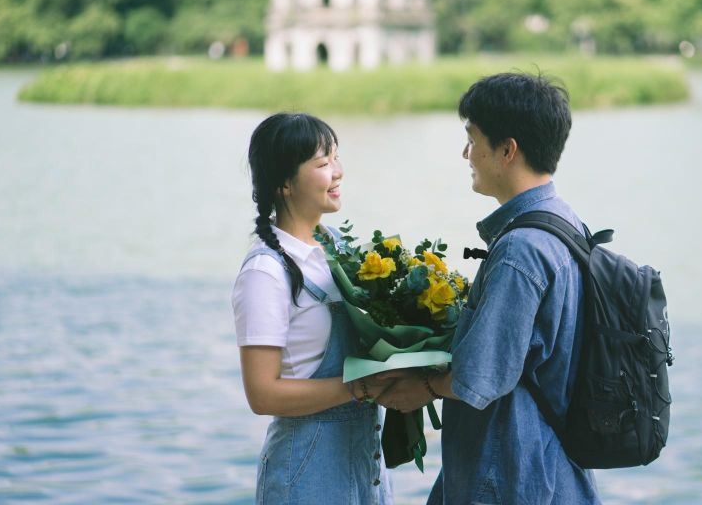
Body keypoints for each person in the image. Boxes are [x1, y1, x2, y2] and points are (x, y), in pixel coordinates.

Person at [377, 73, 601, 504]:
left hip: (511, 475)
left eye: (472, 138)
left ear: (506, 150)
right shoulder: (567, 222)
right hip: (555, 468)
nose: (466, 153)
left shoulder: (521, 249)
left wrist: (416, 387)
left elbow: (480, 376)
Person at [231, 112, 394, 505]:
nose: (337, 172)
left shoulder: (339, 246)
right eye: (322, 164)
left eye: (336, 158)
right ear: (285, 183)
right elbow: (262, 394)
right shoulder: (266, 271)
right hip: (306, 469)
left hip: (365, 463)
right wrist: (359, 387)